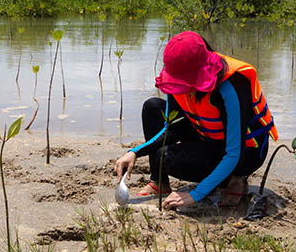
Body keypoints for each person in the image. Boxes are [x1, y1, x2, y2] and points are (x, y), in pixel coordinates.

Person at [114, 31, 278, 209]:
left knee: (167, 157)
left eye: (187, 82)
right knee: (152, 107)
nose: (181, 89)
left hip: (245, 152)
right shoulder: (174, 76)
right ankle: (159, 183)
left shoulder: (232, 86)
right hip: (208, 136)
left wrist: (195, 195)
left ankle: (236, 178)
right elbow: (172, 129)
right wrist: (135, 152)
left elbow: (233, 152)